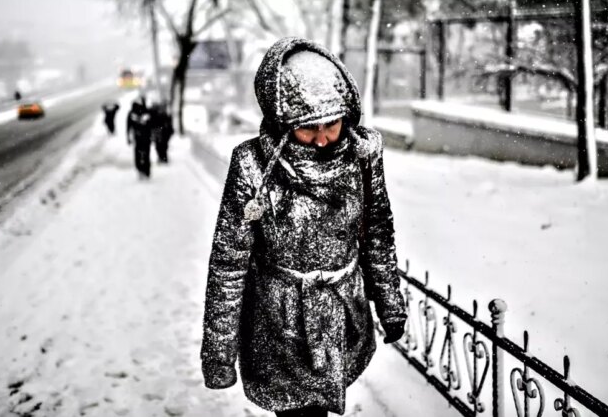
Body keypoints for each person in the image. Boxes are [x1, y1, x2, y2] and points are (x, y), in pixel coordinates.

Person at [201, 37, 407, 417]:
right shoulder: (252, 166)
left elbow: (377, 231)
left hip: (341, 317)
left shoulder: (361, 158)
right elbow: (229, 263)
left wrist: (389, 303)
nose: (324, 137)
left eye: (332, 122)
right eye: (308, 127)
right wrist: (219, 351)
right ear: (282, 122)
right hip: (279, 328)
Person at [126, 98, 152, 179]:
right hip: (144, 137)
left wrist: (128, 137)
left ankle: (142, 170)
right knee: (145, 154)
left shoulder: (132, 113)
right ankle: (144, 170)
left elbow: (128, 127)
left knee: (140, 154)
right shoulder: (146, 112)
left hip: (141, 137)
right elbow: (152, 125)